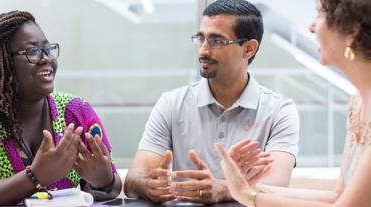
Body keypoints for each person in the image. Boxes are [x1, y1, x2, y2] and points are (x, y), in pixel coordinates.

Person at [216, 0, 371, 206]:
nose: (312, 27)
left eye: (320, 15)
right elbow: (339, 196)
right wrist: (247, 189)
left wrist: (248, 196)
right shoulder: (363, 96)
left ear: (351, 30)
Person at [124, 0, 300, 204]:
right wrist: (149, 186)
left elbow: (277, 185)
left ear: (249, 49)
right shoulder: (171, 103)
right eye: (201, 38)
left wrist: (222, 189)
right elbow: (132, 180)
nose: (203, 51)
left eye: (217, 41)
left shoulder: (280, 110)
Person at [0, 11, 121, 207]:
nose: (46, 59)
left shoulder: (75, 111)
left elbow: (107, 190)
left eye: (48, 49)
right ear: (2, 64)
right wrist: (34, 177)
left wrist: (103, 180)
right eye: (32, 51)